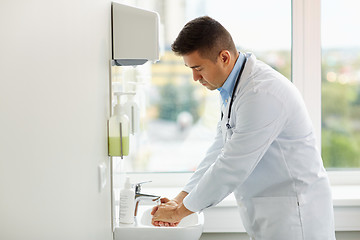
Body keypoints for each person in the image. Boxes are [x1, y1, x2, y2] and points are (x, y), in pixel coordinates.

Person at [151, 16, 336, 240]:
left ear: (224, 57)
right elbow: (219, 150)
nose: (195, 77)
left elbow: (231, 165)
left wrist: (180, 212)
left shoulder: (261, 93)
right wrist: (180, 198)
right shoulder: (233, 88)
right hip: (270, 213)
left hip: (295, 217)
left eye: (198, 68)